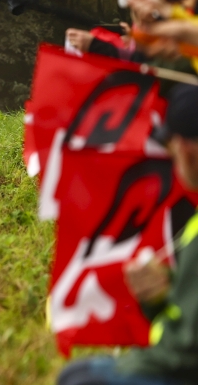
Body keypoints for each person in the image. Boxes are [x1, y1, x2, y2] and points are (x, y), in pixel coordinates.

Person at [57, 84, 198, 385]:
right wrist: (160, 294)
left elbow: (187, 349)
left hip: (176, 371)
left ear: (186, 149)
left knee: (79, 381)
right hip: (171, 363)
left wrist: (138, 366)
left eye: (171, 146)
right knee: (74, 374)